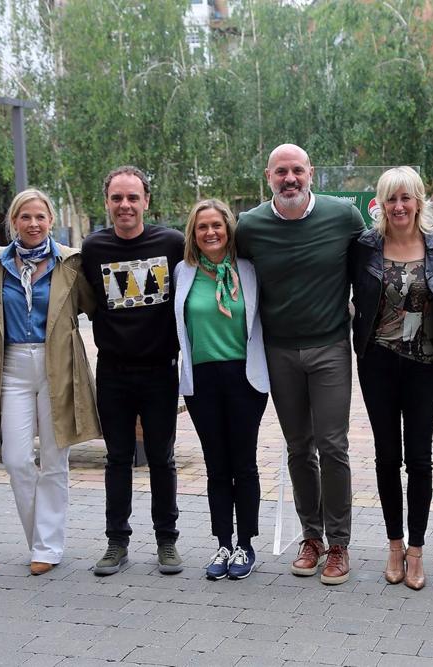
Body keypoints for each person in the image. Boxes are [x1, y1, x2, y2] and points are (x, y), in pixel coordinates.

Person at [236, 143, 365, 585]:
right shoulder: (250, 226)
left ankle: (340, 544)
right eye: (280, 172)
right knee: (298, 448)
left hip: (330, 347)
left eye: (297, 170)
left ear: (311, 172)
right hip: (278, 351)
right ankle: (311, 538)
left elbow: (369, 268)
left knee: (333, 446)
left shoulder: (344, 217)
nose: (289, 179)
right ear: (268, 177)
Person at [349, 167, 433, 591]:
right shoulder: (363, 247)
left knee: (420, 458)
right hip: (377, 363)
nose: (399, 207)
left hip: (425, 365)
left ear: (418, 201)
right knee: (385, 457)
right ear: (381, 203)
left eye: (406, 198)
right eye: (391, 199)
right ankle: (393, 544)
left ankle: (416, 550)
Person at [0, 189, 100, 576]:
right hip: (14, 364)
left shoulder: (69, 262)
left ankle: (47, 547)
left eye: (40, 217)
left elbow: (95, 305)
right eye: (25, 217)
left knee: (54, 458)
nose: (33, 224)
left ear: (51, 220)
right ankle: (41, 537)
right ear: (13, 221)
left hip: (59, 365)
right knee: (15, 459)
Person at [80, 166, 186, 576]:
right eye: (117, 198)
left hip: (160, 370)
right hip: (113, 372)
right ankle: (116, 542)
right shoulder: (94, 248)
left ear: (146, 201)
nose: (125, 205)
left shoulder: (171, 243)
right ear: (107, 202)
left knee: (162, 458)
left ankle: (167, 541)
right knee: (117, 459)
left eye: (132, 198)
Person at [175, 199, 269, 581]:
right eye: (202, 227)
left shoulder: (249, 270)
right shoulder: (184, 272)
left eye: (217, 225)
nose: (210, 232)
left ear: (229, 228)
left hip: (245, 377)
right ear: (193, 234)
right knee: (216, 466)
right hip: (202, 380)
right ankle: (223, 542)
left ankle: (246, 544)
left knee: (243, 464)